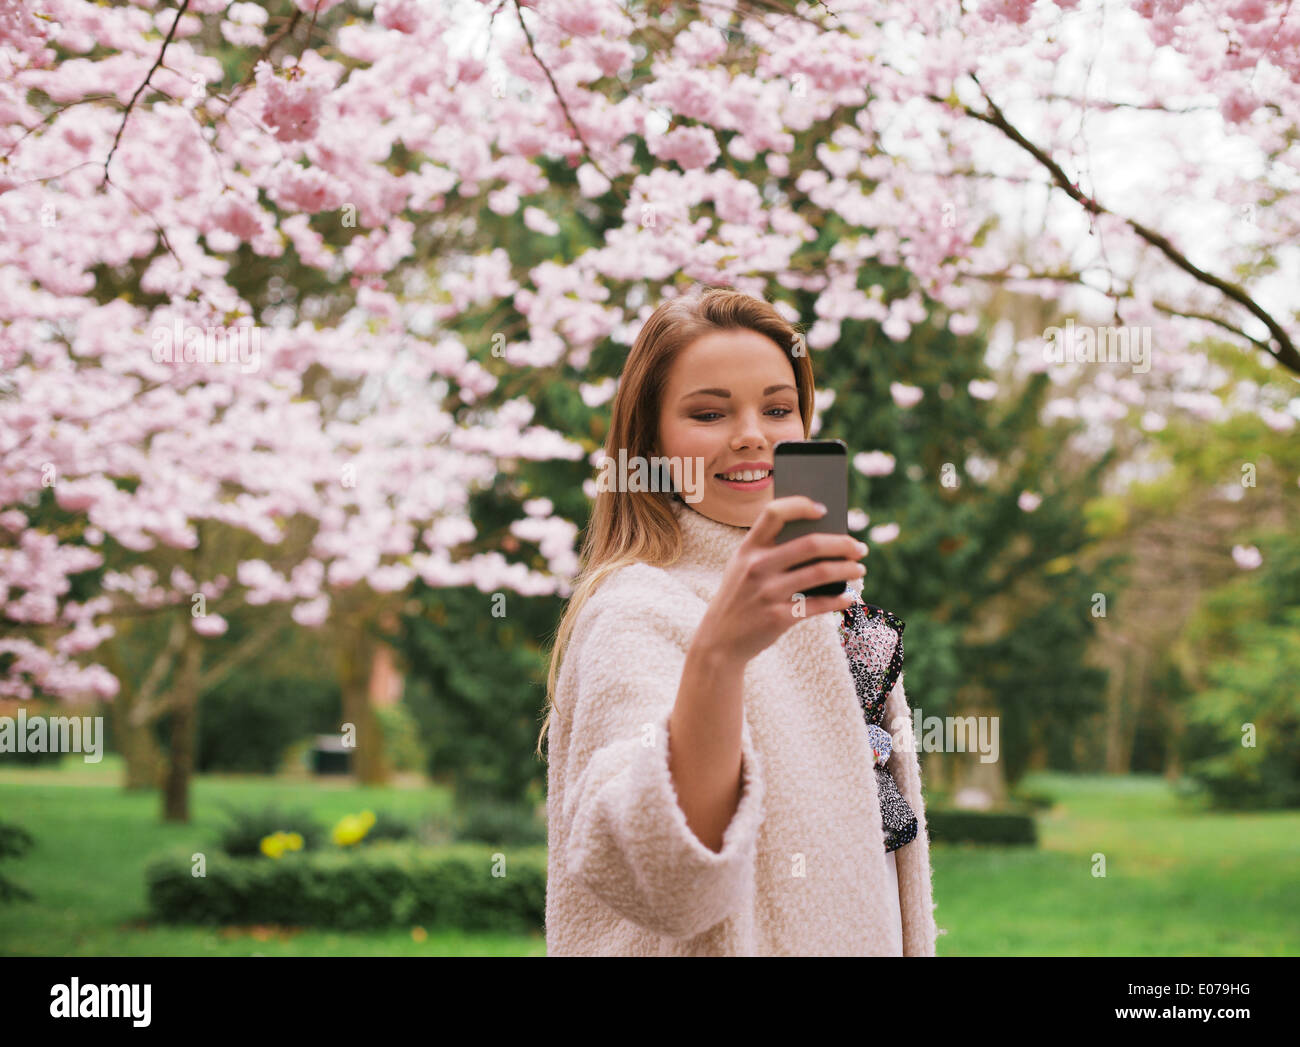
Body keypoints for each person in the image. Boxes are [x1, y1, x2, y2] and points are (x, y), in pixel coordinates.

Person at [539, 286, 938, 956]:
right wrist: (718, 654)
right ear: (652, 442)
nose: (752, 433)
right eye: (709, 411)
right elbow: (665, 881)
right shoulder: (636, 612)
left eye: (778, 407)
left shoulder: (827, 612)